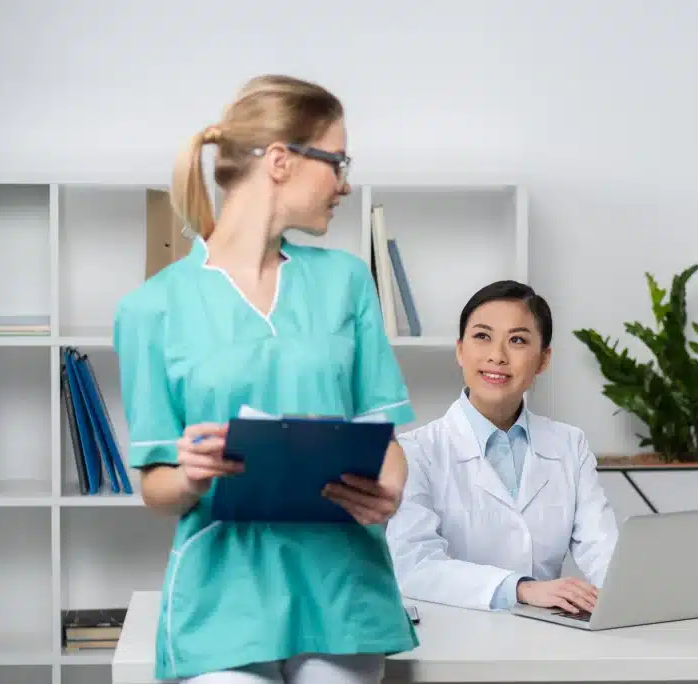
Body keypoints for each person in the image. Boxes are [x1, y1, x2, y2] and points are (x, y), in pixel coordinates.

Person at [113, 74, 417, 684]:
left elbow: (384, 438)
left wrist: (391, 487)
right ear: (281, 161)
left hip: (341, 588)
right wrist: (192, 477)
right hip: (223, 597)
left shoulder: (348, 282)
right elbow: (154, 486)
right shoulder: (151, 308)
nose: (345, 183)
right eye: (337, 161)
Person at [384, 280, 619, 614]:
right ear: (460, 350)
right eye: (482, 336)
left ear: (543, 360)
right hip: (453, 639)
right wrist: (521, 589)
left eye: (518, 340)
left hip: (545, 636)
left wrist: (632, 598)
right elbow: (415, 565)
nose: (497, 355)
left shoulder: (569, 445)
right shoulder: (415, 451)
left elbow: (604, 550)